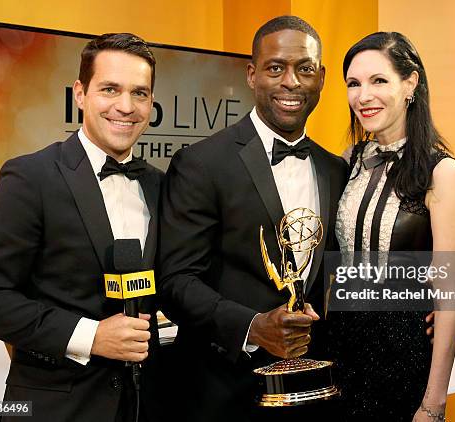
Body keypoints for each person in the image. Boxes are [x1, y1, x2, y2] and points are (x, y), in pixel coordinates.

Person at [0, 33, 164, 422]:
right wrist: (91, 336)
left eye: (140, 93)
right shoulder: (30, 176)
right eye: (110, 89)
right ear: (80, 94)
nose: (126, 106)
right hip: (53, 408)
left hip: (143, 405)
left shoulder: (160, 184)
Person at [157, 16, 349, 422]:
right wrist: (252, 325)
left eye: (305, 69)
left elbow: (345, 269)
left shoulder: (336, 170)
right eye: (275, 67)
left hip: (316, 391)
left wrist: (423, 301)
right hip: (225, 392)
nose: (291, 82)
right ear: (252, 74)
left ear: (322, 78)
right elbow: (175, 282)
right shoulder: (202, 164)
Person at [329, 32, 455, 421]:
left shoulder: (442, 172)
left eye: (379, 81)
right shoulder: (349, 160)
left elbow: (449, 296)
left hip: (403, 352)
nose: (363, 95)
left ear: (410, 84)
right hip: (340, 348)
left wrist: (433, 404)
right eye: (353, 84)